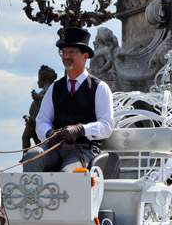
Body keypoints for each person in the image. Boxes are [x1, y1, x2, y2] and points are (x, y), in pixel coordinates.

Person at [22, 27, 114, 173]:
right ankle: (30, 195)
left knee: (69, 174)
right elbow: (41, 121)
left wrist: (80, 130)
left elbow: (107, 126)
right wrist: (49, 133)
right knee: (32, 155)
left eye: (71, 52)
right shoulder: (54, 88)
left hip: (83, 149)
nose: (66, 56)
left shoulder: (100, 88)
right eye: (63, 52)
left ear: (85, 56)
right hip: (55, 147)